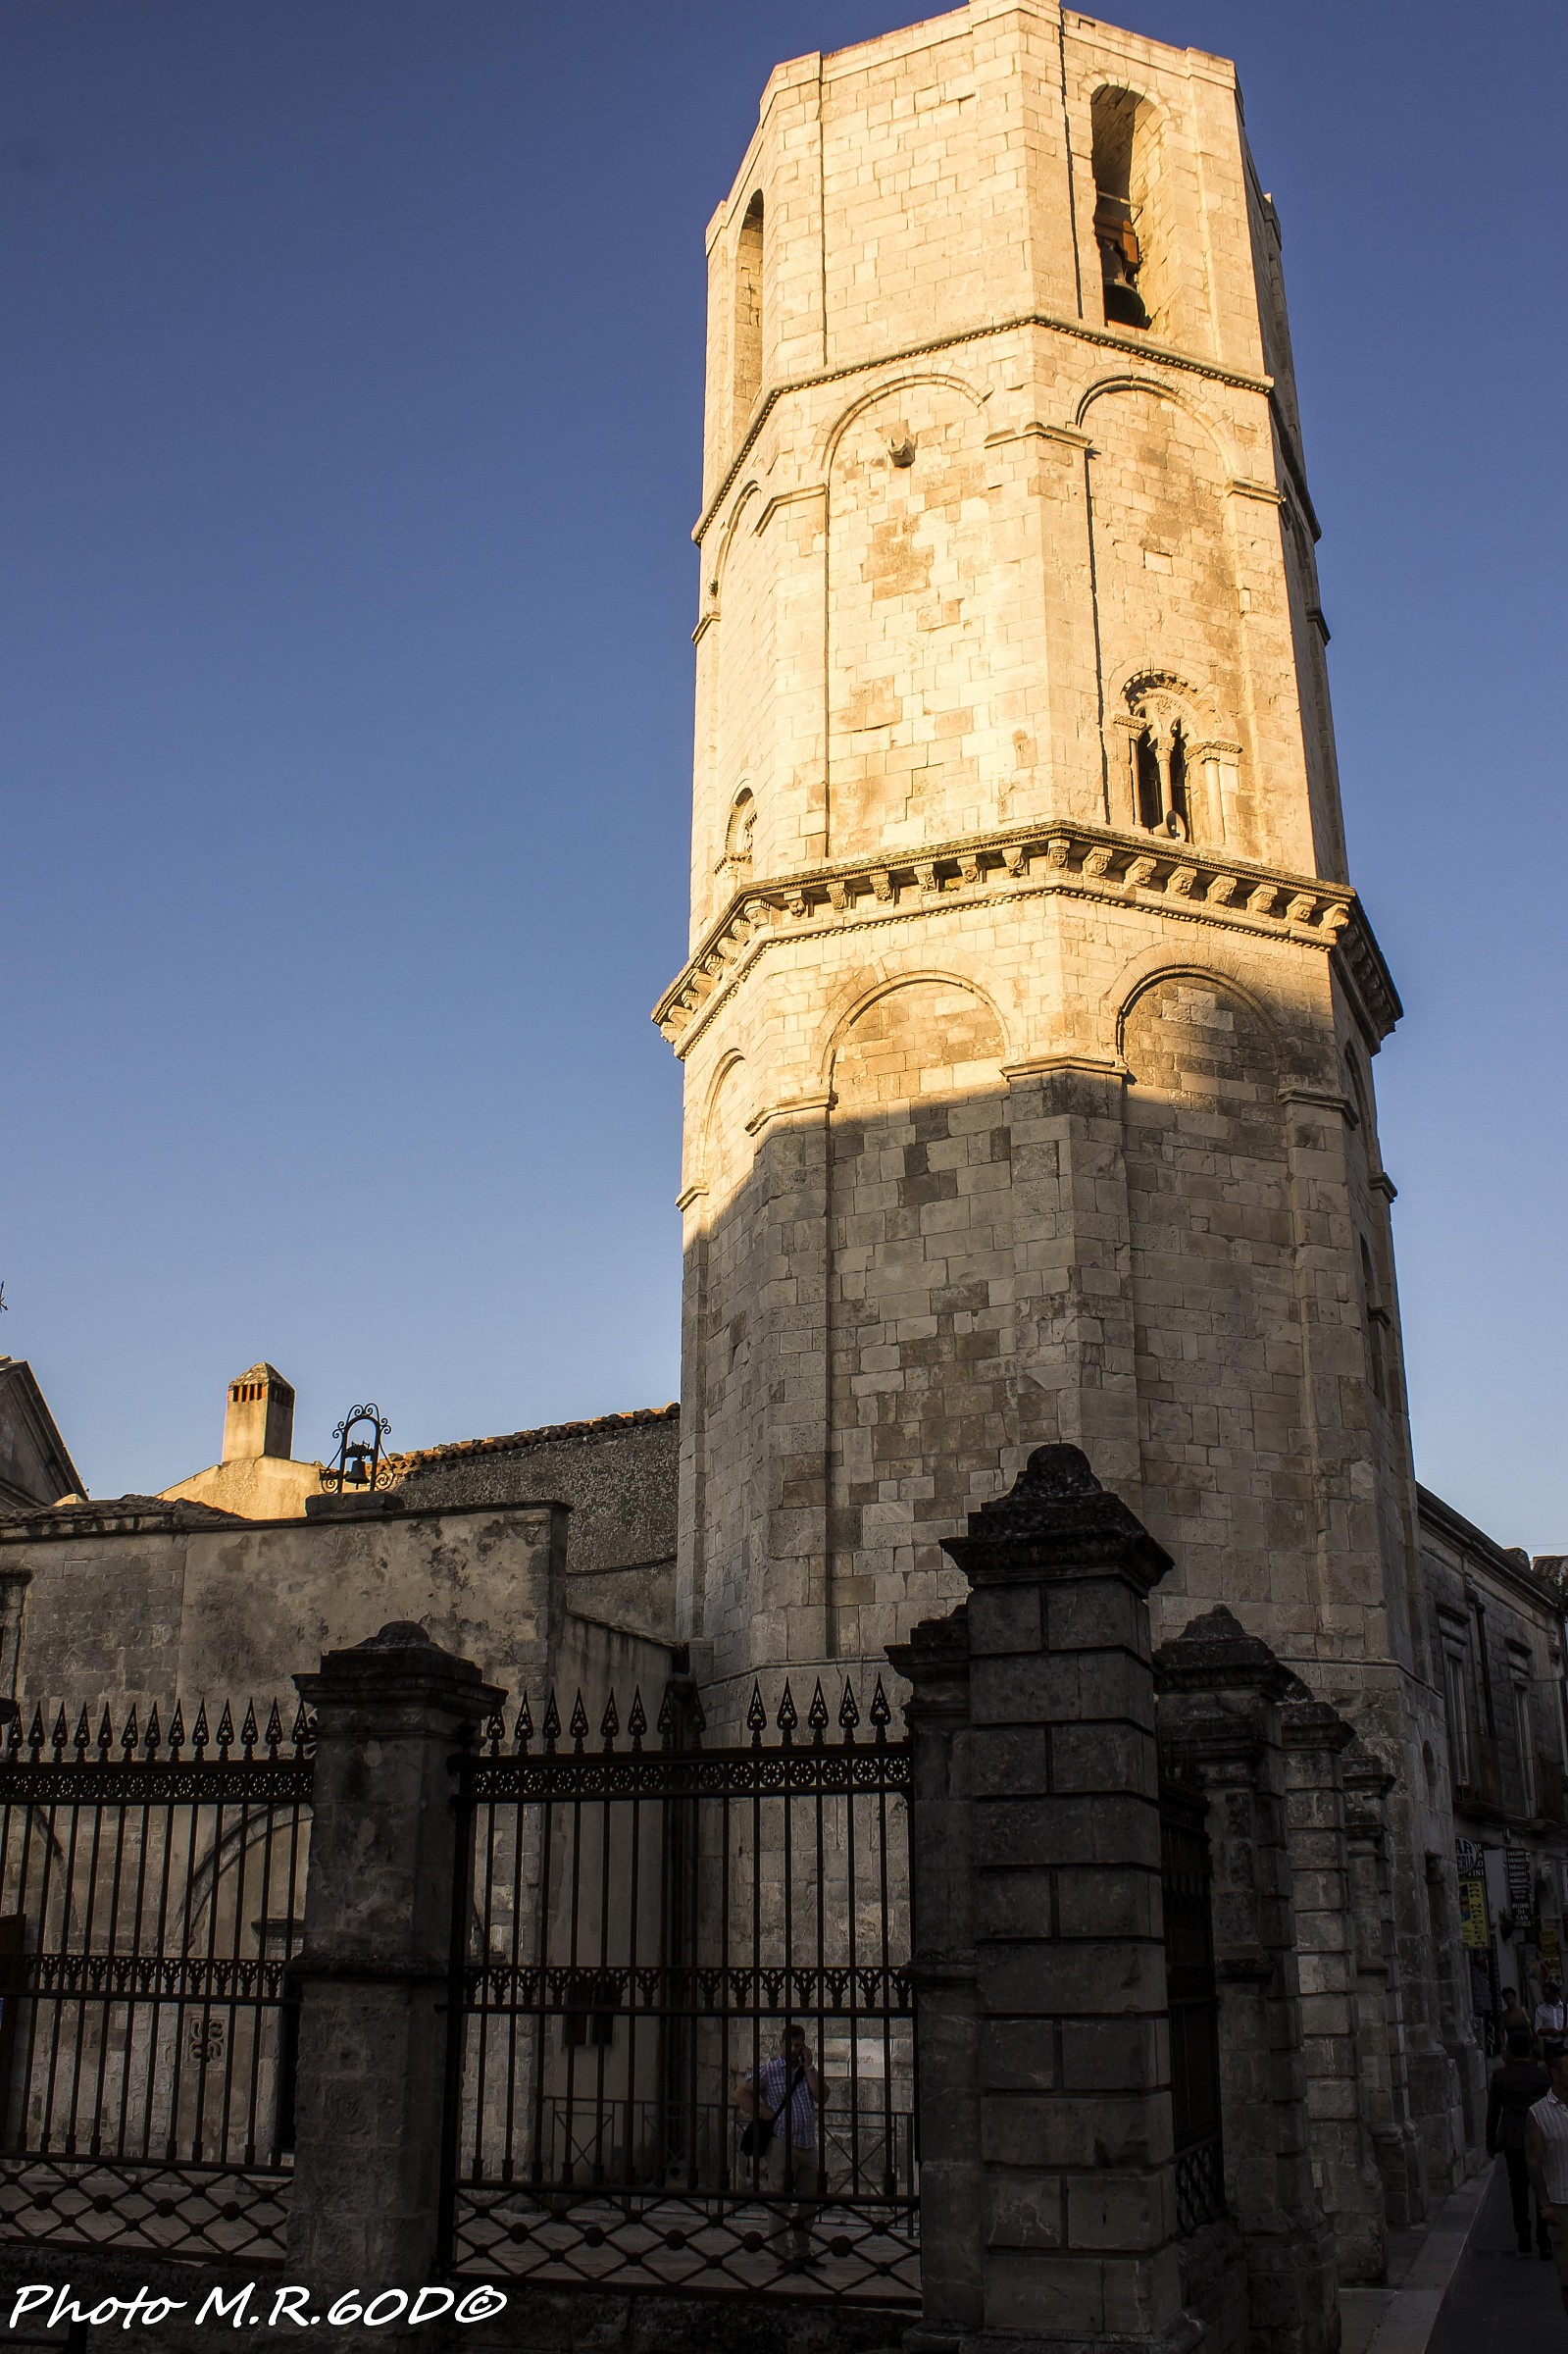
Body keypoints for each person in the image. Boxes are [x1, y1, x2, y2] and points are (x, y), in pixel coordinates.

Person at [735, 2022, 829, 2264]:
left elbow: (822, 2096)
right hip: (782, 2143)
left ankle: (802, 2250)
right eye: (793, 2044)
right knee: (781, 2199)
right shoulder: (770, 2070)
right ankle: (784, 2253)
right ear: (782, 2045)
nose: (796, 2049)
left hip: (807, 2143)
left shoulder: (807, 2071)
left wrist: (809, 2068)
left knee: (810, 2201)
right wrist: (761, 2111)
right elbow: (741, 2092)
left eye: (800, 2045)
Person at [1488, 2025, 1550, 2255]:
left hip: (1513, 2138)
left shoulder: (1501, 2076)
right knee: (1541, 2188)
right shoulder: (1542, 2076)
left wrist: (1490, 2142)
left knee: (1518, 2187)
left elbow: (1493, 2111)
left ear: (1511, 2051)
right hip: (1538, 2138)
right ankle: (1543, 2239)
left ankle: (1522, 2229)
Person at [1527, 2045, 1568, 2316]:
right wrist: (1545, 2205)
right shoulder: (1538, 2114)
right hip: (1561, 2205)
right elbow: (1533, 2162)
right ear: (1555, 2074)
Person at [1537, 1978, 1566, 2048]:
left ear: (1555, 1994)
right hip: (1549, 2044)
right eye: (1543, 1995)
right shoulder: (1540, 2009)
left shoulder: (1566, 2008)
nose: (1544, 1998)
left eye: (1547, 1995)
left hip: (1565, 2043)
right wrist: (1549, 2031)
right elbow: (1537, 2029)